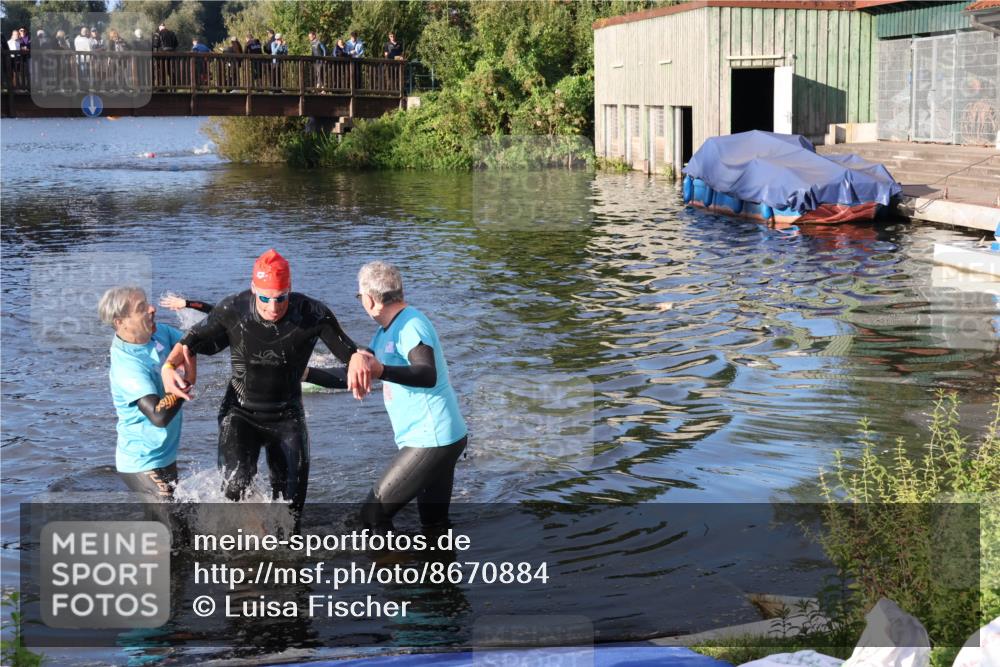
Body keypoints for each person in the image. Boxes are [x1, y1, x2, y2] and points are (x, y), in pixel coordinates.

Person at [159, 249, 376, 522]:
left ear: (290, 289)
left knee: (291, 510)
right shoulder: (233, 308)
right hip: (240, 413)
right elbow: (190, 341)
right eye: (264, 298)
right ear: (253, 289)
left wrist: (357, 357)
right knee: (234, 491)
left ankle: (282, 555)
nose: (273, 307)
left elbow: (349, 350)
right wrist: (168, 368)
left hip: (287, 417)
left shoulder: (313, 313)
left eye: (281, 298)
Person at [353, 261, 468, 531]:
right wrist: (304, 374)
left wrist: (381, 370)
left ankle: (392, 569)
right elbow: (358, 373)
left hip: (432, 439)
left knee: (373, 516)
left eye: (359, 296)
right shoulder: (385, 332)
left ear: (369, 300)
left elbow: (427, 373)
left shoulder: (411, 325)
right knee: (433, 525)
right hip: (442, 437)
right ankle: (435, 570)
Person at [99, 286, 193, 501]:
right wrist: (186, 382)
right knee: (172, 517)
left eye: (147, 303)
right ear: (120, 321)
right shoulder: (127, 365)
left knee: (177, 523)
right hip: (141, 460)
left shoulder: (158, 332)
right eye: (141, 308)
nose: (152, 309)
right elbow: (159, 416)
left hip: (165, 453)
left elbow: (194, 342)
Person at [158, 294, 347, 389]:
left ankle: (303, 370)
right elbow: (210, 315)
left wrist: (187, 303)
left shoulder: (237, 321)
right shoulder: (211, 334)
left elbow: (211, 308)